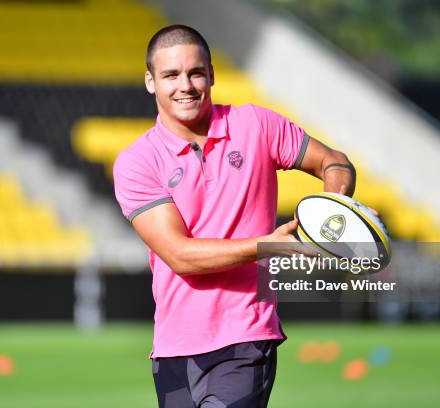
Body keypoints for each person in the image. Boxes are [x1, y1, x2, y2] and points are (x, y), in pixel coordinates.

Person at [113, 24, 356, 408]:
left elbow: (334, 162)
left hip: (244, 338)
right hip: (173, 348)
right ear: (150, 82)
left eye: (195, 72)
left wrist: (332, 213)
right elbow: (180, 255)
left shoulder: (256, 124)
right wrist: (266, 247)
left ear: (211, 73)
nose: (185, 85)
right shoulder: (136, 162)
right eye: (171, 75)